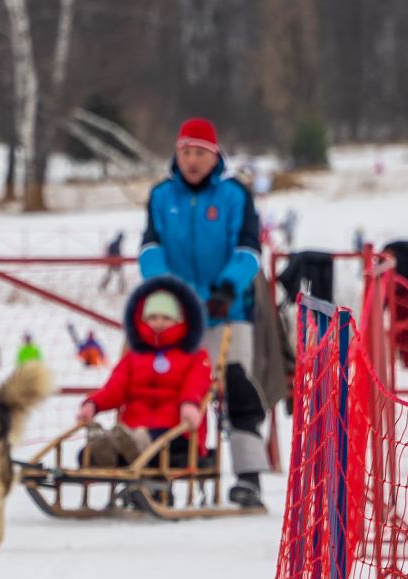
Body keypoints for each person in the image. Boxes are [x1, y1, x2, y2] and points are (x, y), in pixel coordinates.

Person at [137, 117, 270, 509]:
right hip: (176, 314)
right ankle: (169, 469)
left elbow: (249, 250)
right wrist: (167, 289)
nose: (192, 161)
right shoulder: (162, 195)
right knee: (172, 389)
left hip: (229, 310)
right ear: (177, 154)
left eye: (200, 153)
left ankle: (248, 477)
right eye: (186, 152)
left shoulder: (234, 195)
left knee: (236, 388)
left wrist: (228, 287)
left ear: (215, 156)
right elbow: (150, 249)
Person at [75, 276, 212, 480]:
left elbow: (197, 384)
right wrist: (93, 404)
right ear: (142, 320)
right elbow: (115, 387)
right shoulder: (133, 357)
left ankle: (125, 446)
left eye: (166, 318)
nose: (159, 323)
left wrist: (190, 404)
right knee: (106, 446)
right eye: (153, 317)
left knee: (149, 442)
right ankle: (106, 448)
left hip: (175, 429)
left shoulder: (194, 355)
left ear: (179, 320)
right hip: (133, 426)